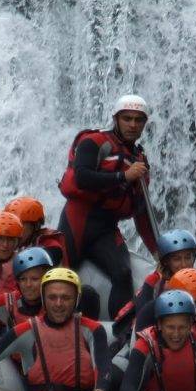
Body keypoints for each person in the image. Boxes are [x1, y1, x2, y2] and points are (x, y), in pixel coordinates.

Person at [57, 93, 158, 317]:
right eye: (127, 118)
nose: (133, 124)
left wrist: (159, 254)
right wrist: (124, 177)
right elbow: (81, 177)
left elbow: (141, 213)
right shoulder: (93, 142)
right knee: (59, 276)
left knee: (122, 274)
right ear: (116, 119)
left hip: (105, 229)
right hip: (78, 222)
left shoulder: (139, 159)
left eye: (138, 120)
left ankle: (119, 336)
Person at [0, 268, 111, 391]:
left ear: (76, 300)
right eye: (52, 297)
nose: (58, 304)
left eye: (66, 298)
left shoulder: (93, 329)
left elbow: (102, 365)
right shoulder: (27, 330)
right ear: (43, 299)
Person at [111, 228, 196, 340]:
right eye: (177, 259)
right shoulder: (155, 282)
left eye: (188, 257)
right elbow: (142, 318)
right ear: (166, 261)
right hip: (149, 334)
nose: (184, 264)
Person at [3, 196, 67, 266]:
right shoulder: (17, 244)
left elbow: (52, 255)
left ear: (35, 225)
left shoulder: (50, 244)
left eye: (20, 224)